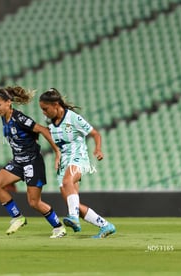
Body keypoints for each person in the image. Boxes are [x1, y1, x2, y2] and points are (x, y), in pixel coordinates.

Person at [0, 86, 67, 238]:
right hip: (18, 162)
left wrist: (57, 151)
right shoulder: (4, 116)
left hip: (32, 162)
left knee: (34, 202)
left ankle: (59, 227)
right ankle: (17, 218)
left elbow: (44, 130)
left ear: (8, 103)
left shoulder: (19, 118)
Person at [39, 88, 116, 238]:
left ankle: (73, 218)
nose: (44, 112)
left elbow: (95, 133)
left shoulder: (73, 118)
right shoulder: (51, 122)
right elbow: (57, 143)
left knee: (68, 182)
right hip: (64, 162)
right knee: (73, 203)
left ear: (55, 105)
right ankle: (106, 225)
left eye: (45, 109)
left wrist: (98, 149)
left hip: (78, 157)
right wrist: (57, 155)